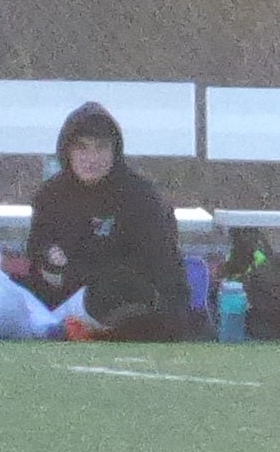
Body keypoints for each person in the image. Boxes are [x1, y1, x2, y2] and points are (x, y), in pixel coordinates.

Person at [22, 100, 189, 339]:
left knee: (116, 289)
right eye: (82, 148)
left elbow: (160, 268)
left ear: (114, 151)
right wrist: (49, 257)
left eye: (100, 148)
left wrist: (74, 272)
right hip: (65, 300)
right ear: (67, 151)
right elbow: (37, 252)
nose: (91, 158)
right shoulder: (50, 196)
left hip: (129, 300)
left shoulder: (141, 198)